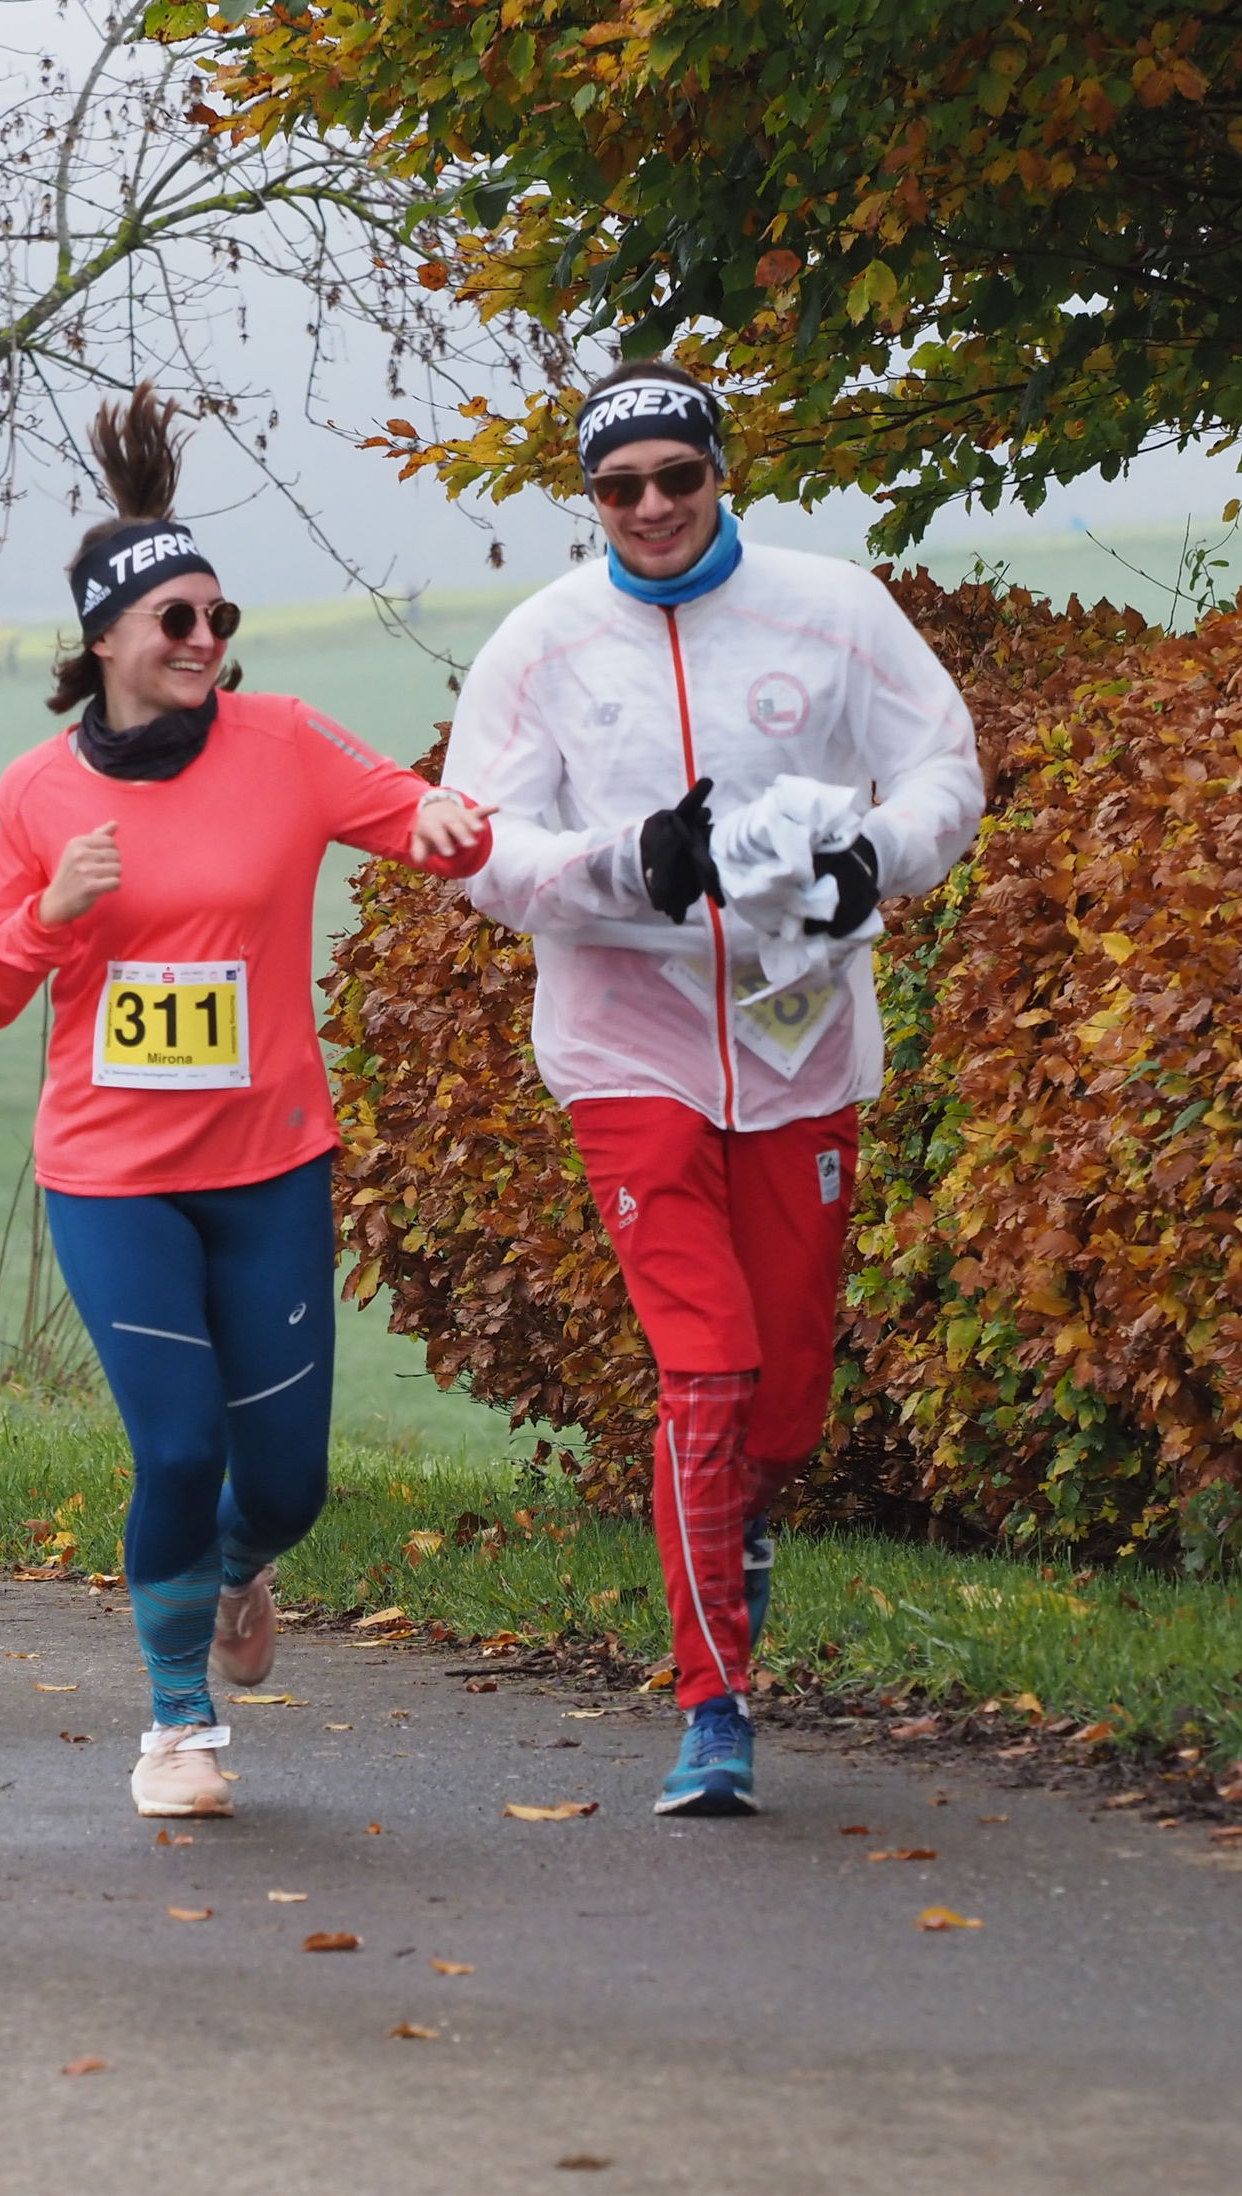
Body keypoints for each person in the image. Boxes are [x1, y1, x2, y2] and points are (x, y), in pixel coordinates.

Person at [0, 386, 491, 1820]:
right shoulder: (35, 798)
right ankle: (175, 1726)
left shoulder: (285, 741)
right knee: (179, 1447)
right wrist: (52, 917)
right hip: (113, 1178)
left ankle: (242, 1568)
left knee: (289, 1486)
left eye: (216, 618)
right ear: (105, 641)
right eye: (175, 620)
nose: (204, 641)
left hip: (267, 1167)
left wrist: (447, 821)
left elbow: (418, 814)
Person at [447, 361, 984, 1816]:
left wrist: (879, 858)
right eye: (619, 488)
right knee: (709, 1369)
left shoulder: (832, 607)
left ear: (721, 471)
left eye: (677, 477)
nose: (652, 508)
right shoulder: (543, 643)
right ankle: (712, 1709)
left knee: (782, 1405)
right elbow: (482, 846)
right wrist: (626, 863)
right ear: (591, 499)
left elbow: (943, 769)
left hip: (802, 1048)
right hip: (628, 1050)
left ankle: (736, 1533)